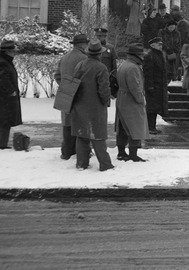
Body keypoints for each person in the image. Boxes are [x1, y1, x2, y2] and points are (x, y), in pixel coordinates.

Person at [69, 39, 115, 171]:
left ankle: (81, 163)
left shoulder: (80, 65)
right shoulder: (101, 68)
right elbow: (104, 90)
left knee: (82, 135)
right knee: (98, 136)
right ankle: (105, 164)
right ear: (100, 54)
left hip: (79, 105)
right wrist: (106, 101)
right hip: (95, 107)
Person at [53, 33, 89, 159]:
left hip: (65, 94)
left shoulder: (65, 58)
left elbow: (57, 75)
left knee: (67, 124)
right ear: (83, 44)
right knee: (79, 125)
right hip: (79, 95)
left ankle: (66, 151)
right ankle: (78, 151)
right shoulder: (84, 59)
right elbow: (86, 79)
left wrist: (65, 86)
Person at [115, 43, 148, 162]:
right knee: (135, 126)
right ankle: (133, 154)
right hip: (130, 100)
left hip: (122, 98)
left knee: (122, 127)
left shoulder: (124, 65)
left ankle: (121, 152)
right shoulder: (133, 68)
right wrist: (141, 99)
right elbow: (135, 86)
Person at [0, 39, 22, 148]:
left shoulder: (4, 61)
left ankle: (0, 144)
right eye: (13, 51)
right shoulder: (2, 62)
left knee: (4, 121)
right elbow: (3, 79)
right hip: (4, 98)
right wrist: (11, 91)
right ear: (7, 51)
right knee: (3, 121)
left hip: (3, 98)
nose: (14, 53)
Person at [142, 37, 168, 135]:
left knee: (155, 107)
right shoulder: (150, 56)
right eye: (159, 44)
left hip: (159, 86)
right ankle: (150, 127)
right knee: (151, 108)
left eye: (161, 44)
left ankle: (152, 126)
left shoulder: (160, 55)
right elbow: (148, 72)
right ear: (153, 45)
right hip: (153, 86)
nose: (161, 46)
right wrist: (149, 86)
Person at [94, 27, 118, 98]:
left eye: (100, 36)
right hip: (94, 77)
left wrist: (114, 79)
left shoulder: (110, 48)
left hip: (106, 78)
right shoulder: (91, 47)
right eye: (97, 36)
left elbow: (114, 65)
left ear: (104, 37)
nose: (98, 38)